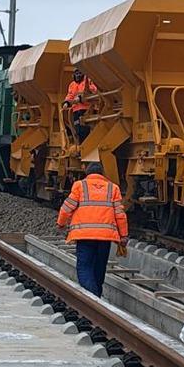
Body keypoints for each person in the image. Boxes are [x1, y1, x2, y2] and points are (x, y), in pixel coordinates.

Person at [57, 158, 128, 295]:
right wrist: (124, 235)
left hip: (84, 235)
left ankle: (93, 297)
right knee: (99, 269)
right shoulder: (113, 188)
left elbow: (66, 208)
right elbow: (120, 214)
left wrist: (61, 223)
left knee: (84, 267)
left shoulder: (80, 186)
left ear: (87, 173)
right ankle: (96, 298)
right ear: (102, 174)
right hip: (105, 237)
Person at [63, 67, 99, 142]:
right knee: (78, 129)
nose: (78, 75)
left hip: (86, 110)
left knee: (85, 129)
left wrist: (81, 97)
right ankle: (81, 144)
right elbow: (70, 95)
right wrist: (66, 102)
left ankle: (87, 144)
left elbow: (93, 90)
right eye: (76, 73)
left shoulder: (87, 81)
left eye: (80, 73)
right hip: (76, 111)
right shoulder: (72, 85)